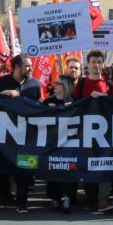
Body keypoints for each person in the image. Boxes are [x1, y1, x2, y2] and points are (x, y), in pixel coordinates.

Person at [0, 54, 43, 211]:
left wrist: (20, 96)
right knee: (3, 166)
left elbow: (39, 106)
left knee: (25, 168)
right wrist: (3, 95)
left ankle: (22, 201)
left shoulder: (35, 85)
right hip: (5, 133)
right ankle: (4, 196)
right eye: (27, 65)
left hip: (27, 135)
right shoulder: (1, 82)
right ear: (16, 67)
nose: (30, 68)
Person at [75, 49, 113, 212]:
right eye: (93, 62)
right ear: (88, 64)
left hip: (106, 133)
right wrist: (89, 99)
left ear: (103, 64)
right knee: (88, 165)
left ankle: (103, 201)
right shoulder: (81, 83)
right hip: (86, 132)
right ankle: (91, 199)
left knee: (105, 165)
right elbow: (75, 105)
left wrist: (103, 98)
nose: (96, 65)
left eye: (99, 62)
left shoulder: (109, 85)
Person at [42, 78, 76, 214]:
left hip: (68, 141)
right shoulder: (48, 101)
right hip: (52, 141)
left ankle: (67, 197)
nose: (54, 86)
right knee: (53, 167)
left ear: (65, 86)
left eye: (58, 84)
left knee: (68, 168)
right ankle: (54, 197)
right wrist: (47, 109)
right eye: (54, 84)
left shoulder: (71, 101)